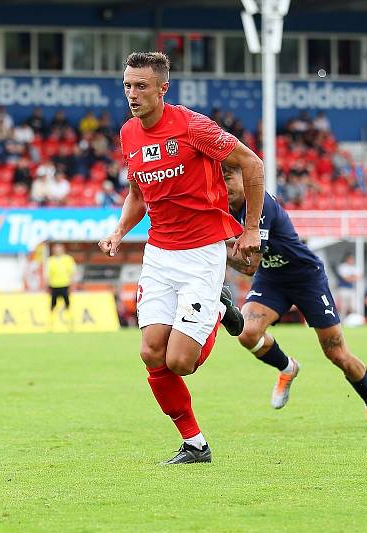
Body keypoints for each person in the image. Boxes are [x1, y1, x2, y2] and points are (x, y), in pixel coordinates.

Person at [97, 52, 260, 465]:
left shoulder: (192, 127)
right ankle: (195, 444)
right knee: (151, 353)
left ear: (162, 88)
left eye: (141, 86)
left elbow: (251, 163)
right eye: (128, 86)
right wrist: (119, 231)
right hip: (159, 255)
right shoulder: (128, 134)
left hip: (202, 253)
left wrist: (253, 227)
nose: (132, 94)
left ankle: (220, 311)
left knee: (180, 362)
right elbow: (138, 193)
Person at [223, 164, 367, 431]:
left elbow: (249, 264)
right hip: (272, 278)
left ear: (245, 178)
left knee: (336, 353)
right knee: (247, 333)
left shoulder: (260, 203)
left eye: (228, 178)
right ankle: (287, 368)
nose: (224, 186)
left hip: (305, 277)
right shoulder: (224, 206)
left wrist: (213, 249)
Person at [45, 243, 77, 330]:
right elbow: (47, 274)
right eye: (56, 249)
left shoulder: (68, 259)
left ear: (63, 249)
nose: (57, 250)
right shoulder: (50, 260)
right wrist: (47, 285)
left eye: (59, 249)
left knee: (68, 305)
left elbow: (73, 272)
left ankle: (70, 324)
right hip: (54, 286)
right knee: (52, 305)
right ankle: (51, 325)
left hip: (65, 285)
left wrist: (72, 284)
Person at [334, 253, 360, 319]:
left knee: (354, 306)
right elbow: (346, 278)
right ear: (347, 259)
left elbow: (359, 277)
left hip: (351, 289)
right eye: (350, 259)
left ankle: (354, 320)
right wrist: (353, 277)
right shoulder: (342, 267)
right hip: (343, 289)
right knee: (343, 308)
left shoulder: (355, 267)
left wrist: (351, 277)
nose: (351, 260)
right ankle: (341, 321)